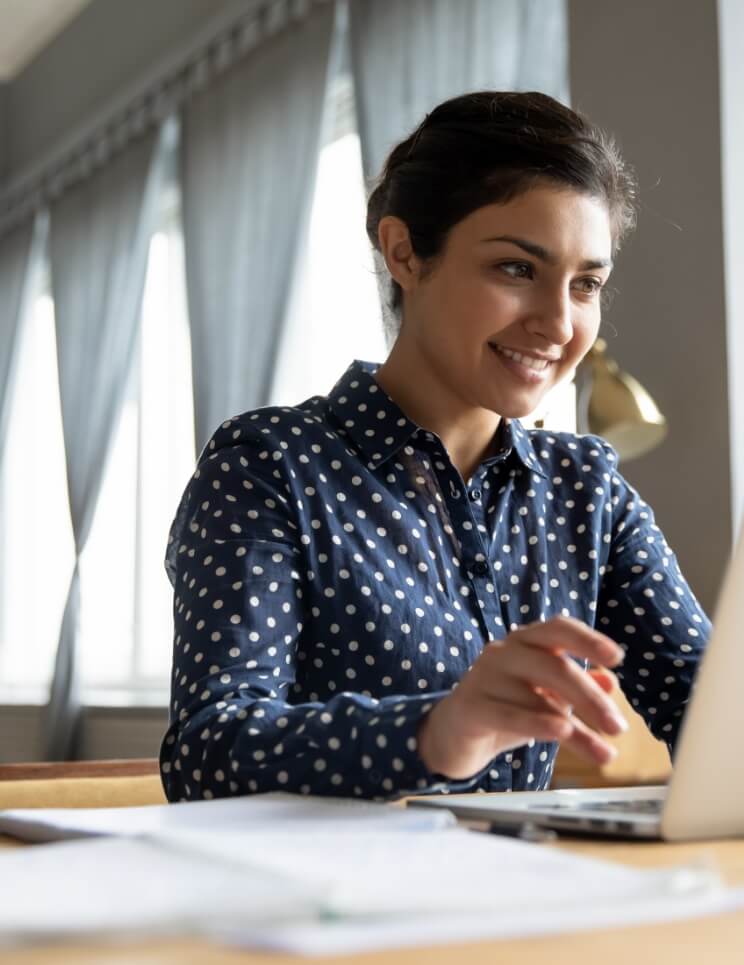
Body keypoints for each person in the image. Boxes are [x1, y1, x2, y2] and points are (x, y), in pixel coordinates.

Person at [160, 90, 710, 802]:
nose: (556, 322)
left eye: (585, 283)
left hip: (523, 892)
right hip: (327, 901)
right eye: (517, 268)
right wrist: (437, 730)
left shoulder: (585, 489)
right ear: (404, 253)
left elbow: (712, 711)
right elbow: (208, 751)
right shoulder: (270, 465)